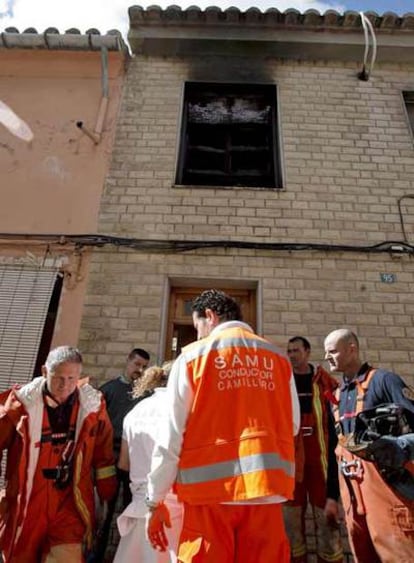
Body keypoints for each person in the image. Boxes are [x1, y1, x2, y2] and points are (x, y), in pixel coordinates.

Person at [146, 289, 300, 563]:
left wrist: (154, 499)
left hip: (209, 497)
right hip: (266, 491)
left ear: (210, 316)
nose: (198, 335)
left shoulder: (193, 357)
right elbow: (293, 425)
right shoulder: (277, 358)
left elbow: (170, 435)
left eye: (197, 327)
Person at [0, 346, 117, 563]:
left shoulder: (92, 407)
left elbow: (104, 450)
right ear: (45, 371)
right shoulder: (19, 405)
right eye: (58, 377)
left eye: (72, 378)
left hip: (70, 500)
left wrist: (106, 490)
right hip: (28, 500)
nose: (65, 385)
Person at [324, 328, 414, 563]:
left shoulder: (384, 381)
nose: (327, 358)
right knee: (363, 555)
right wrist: (332, 497)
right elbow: (336, 451)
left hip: (389, 493)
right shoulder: (336, 396)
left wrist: (396, 447)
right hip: (353, 498)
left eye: (332, 351)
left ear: (351, 349)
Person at [114, 363, 183, 563]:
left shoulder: (135, 412)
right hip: (172, 509)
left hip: (139, 505)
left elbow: (124, 464)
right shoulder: (180, 412)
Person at [284, 336, 343, 563]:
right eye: (289, 351)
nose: (292, 355)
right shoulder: (283, 380)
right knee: (291, 517)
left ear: (308, 352)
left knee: (324, 516)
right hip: (292, 457)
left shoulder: (323, 380)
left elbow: (336, 413)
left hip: (320, 457)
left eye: (296, 350)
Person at [94, 347, 150, 561]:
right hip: (108, 457)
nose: (140, 370)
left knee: (130, 510)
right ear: (128, 361)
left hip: (134, 460)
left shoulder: (146, 396)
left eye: (144, 367)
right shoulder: (109, 390)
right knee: (104, 512)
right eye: (137, 365)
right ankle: (96, 557)